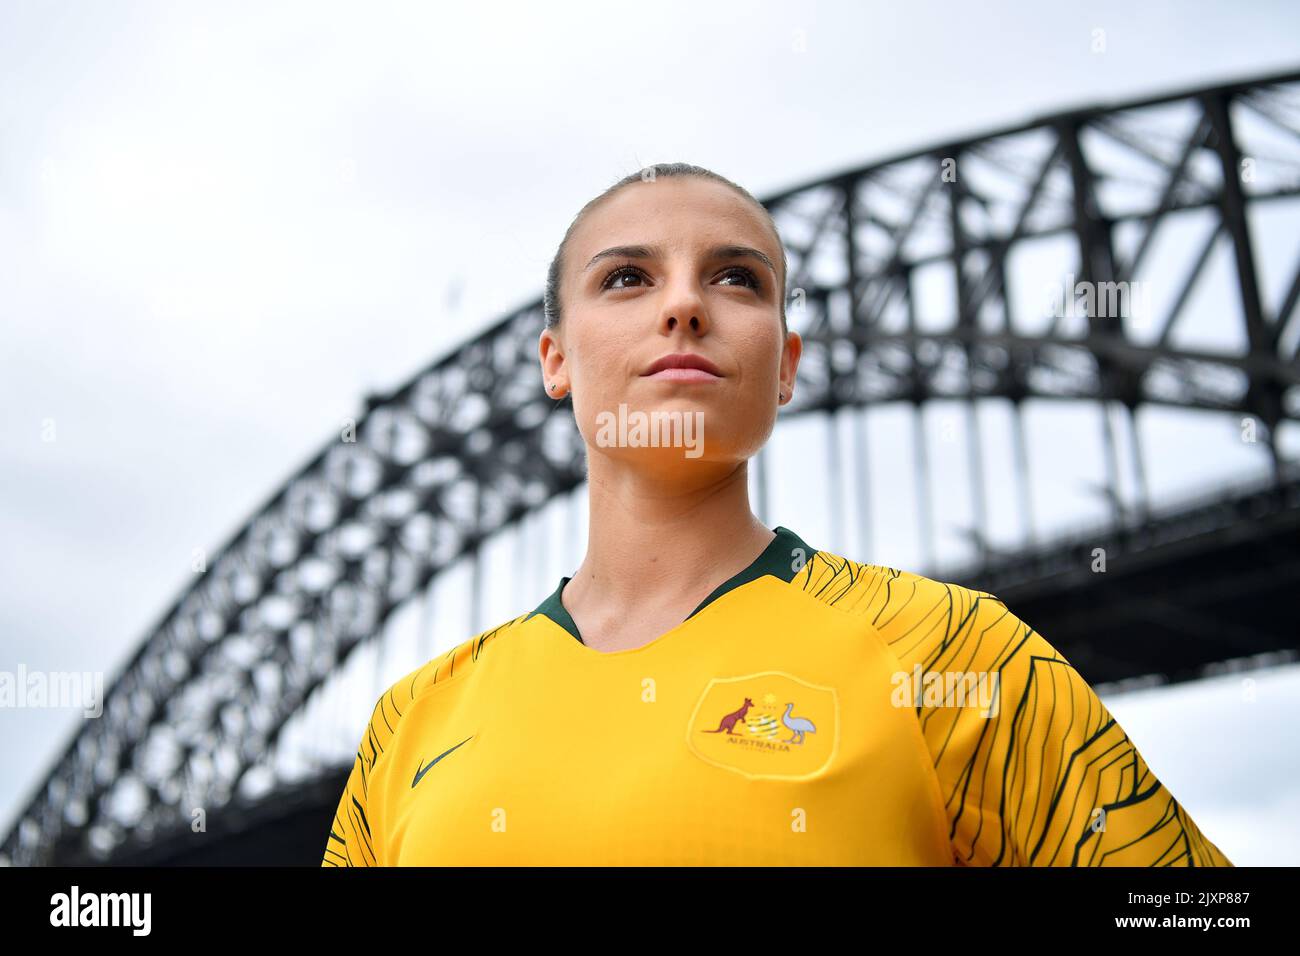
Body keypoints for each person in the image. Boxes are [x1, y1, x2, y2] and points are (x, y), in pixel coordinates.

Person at [322, 163, 1232, 867]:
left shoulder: (954, 654)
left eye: (737, 280)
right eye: (629, 278)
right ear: (555, 360)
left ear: (786, 363)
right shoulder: (412, 721)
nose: (684, 304)